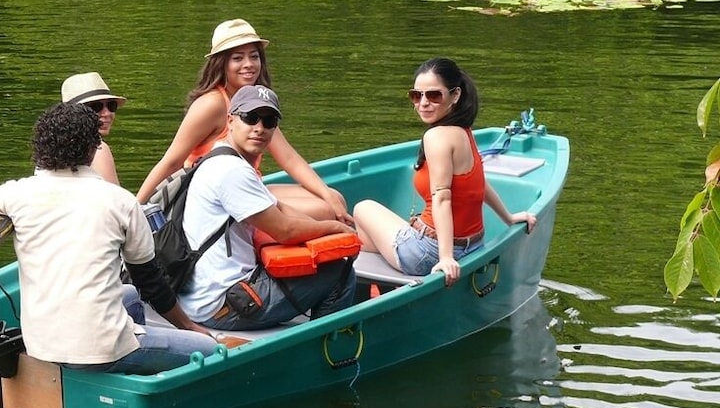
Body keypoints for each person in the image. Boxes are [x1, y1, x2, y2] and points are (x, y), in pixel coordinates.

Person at [0, 103, 222, 374]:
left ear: (40, 147)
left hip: (42, 347)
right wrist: (191, 328)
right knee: (210, 350)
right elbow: (151, 284)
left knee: (130, 297)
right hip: (102, 350)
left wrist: (2, 217)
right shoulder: (120, 201)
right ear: (93, 148)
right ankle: (130, 370)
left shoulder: (13, 194)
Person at [178, 84, 357, 332]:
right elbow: (285, 231)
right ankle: (326, 345)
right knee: (340, 271)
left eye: (269, 121)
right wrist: (334, 228)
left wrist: (328, 229)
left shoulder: (218, 158)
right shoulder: (233, 171)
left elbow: (280, 208)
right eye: (250, 118)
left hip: (200, 297)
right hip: (225, 305)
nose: (259, 128)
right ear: (230, 121)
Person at [136, 18, 351, 223]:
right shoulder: (211, 104)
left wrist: (326, 193)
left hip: (249, 187)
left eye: (254, 57)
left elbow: (289, 158)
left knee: (335, 198)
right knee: (324, 210)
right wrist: (135, 209)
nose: (248, 64)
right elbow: (172, 161)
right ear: (222, 64)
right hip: (217, 200)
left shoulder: (255, 101)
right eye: (237, 58)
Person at [353, 58, 537, 288]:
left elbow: (442, 198)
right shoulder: (464, 131)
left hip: (428, 253)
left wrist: (446, 257)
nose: (423, 103)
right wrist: (508, 217)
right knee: (373, 234)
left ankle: (368, 283)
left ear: (455, 95)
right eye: (416, 96)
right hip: (474, 246)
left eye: (434, 95)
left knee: (363, 208)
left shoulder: (436, 136)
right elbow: (478, 183)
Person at [60, 71, 125, 185]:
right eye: (96, 107)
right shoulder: (98, 149)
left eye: (111, 105)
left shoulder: (50, 149)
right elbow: (114, 195)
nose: (107, 113)